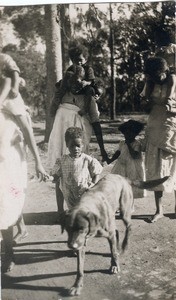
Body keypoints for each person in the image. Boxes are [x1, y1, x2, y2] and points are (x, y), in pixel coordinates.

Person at [0, 55, 48, 272]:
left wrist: (38, 162)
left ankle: (8, 255)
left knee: (4, 203)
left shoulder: (9, 95)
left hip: (7, 158)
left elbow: (27, 130)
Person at [142, 57, 176, 223]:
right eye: (154, 76)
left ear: (165, 71)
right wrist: (147, 97)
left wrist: (171, 106)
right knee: (156, 168)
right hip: (155, 125)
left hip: (172, 127)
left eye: (160, 75)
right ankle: (159, 209)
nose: (158, 78)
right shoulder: (150, 83)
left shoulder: (173, 81)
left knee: (174, 168)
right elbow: (145, 106)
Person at [50, 127, 103, 210]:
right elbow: (56, 175)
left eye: (78, 146)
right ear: (67, 145)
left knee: (84, 211)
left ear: (82, 145)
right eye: (72, 146)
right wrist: (50, 177)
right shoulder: (62, 160)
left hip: (84, 192)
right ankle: (60, 210)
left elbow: (96, 173)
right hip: (68, 192)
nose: (75, 149)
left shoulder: (87, 159)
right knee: (59, 185)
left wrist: (92, 184)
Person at [50, 44, 98, 117]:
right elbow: (66, 78)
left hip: (84, 88)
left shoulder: (88, 69)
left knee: (90, 90)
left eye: (80, 60)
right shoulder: (71, 68)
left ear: (85, 60)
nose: (79, 62)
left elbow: (91, 81)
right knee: (59, 90)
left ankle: (85, 108)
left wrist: (86, 82)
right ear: (72, 60)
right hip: (73, 88)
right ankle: (55, 105)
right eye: (76, 60)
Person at [108, 119, 146, 200]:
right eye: (125, 134)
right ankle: (120, 203)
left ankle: (129, 205)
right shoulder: (122, 142)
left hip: (132, 168)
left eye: (129, 134)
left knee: (130, 186)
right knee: (119, 184)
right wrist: (110, 160)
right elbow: (118, 153)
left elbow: (134, 156)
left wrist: (129, 144)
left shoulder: (137, 144)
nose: (126, 136)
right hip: (121, 166)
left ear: (135, 134)